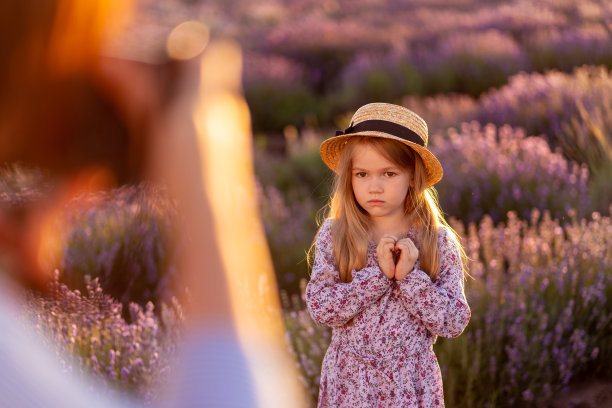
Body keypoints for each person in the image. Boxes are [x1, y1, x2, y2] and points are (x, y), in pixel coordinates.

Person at [305, 102, 471, 407]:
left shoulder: (436, 241)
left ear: (413, 177)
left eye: (389, 173)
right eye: (362, 174)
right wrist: (377, 277)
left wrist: (410, 280)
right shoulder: (337, 234)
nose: (375, 186)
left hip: (410, 384)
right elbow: (320, 307)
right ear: (349, 177)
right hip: (350, 382)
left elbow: (454, 321)